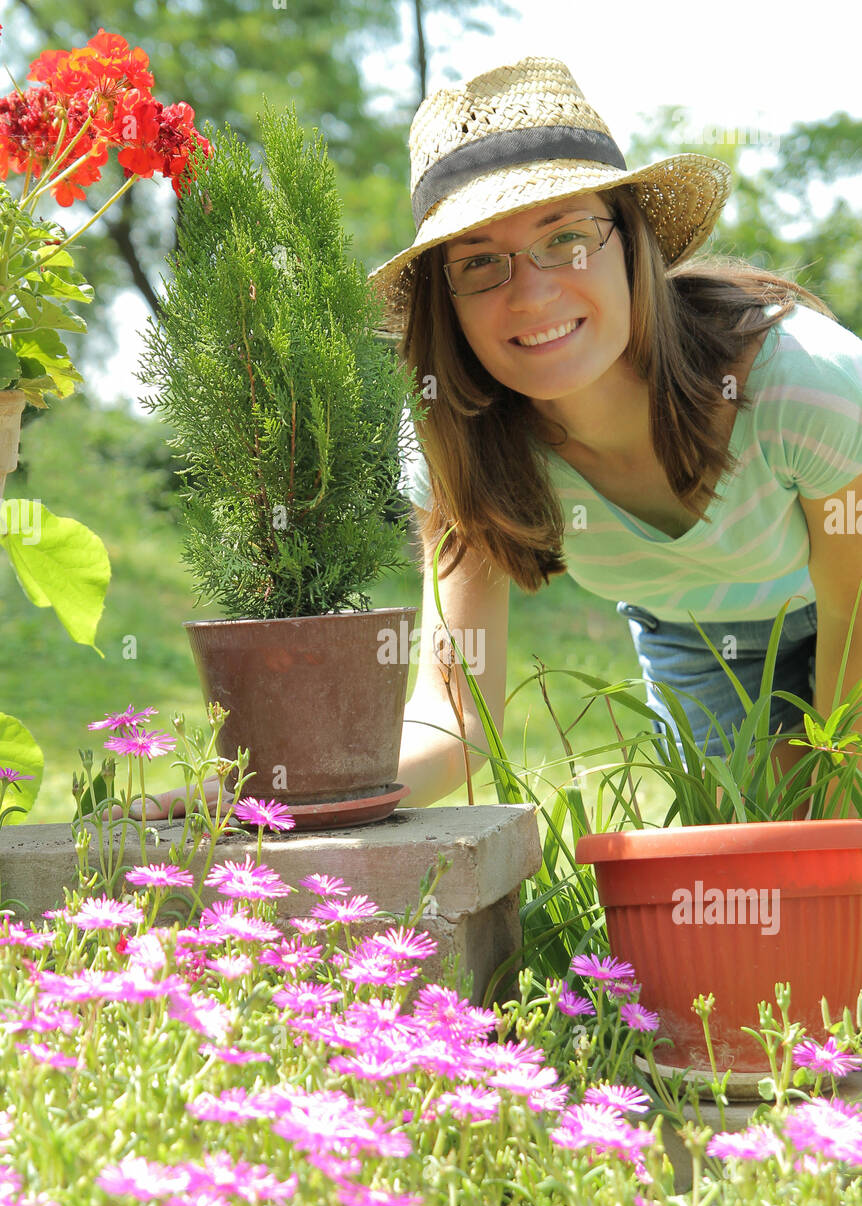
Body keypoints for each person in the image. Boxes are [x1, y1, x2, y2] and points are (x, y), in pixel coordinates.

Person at [128, 54, 862, 822]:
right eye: (480, 262)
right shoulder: (459, 443)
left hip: (848, 614)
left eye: (566, 237)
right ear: (446, 303)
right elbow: (455, 718)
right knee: (753, 883)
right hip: (697, 642)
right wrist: (290, 789)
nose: (532, 291)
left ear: (632, 240)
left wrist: (833, 806)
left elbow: (854, 618)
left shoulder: (801, 383)